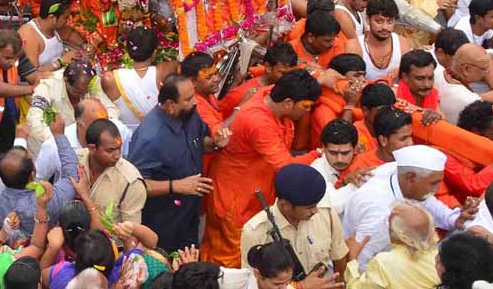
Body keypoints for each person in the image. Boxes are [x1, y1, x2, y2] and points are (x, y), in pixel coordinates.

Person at [203, 69, 321, 265]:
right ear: (288, 103)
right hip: (236, 202)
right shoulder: (258, 122)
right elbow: (287, 168)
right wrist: (318, 154)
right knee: (231, 261)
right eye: (306, 106)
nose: (308, 111)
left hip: (254, 197)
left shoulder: (273, 94)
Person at [129, 74, 226, 253]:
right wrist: (176, 186)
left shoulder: (190, 115)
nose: (196, 102)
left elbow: (200, 140)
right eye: (188, 99)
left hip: (189, 214)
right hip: (164, 223)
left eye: (194, 95)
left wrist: (214, 143)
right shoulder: (150, 137)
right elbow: (136, 186)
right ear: (170, 105)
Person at [343, 144, 476, 269]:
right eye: (433, 183)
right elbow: (360, 262)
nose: (436, 189)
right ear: (411, 177)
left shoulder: (402, 174)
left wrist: (454, 219)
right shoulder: (379, 212)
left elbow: (428, 202)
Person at [240, 164, 348, 274]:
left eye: (316, 204)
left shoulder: (326, 212)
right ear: (286, 205)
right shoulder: (255, 232)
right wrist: (300, 286)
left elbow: (339, 256)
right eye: (309, 208)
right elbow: (252, 281)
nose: (316, 211)